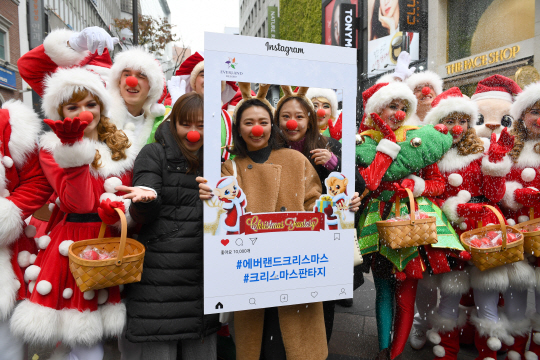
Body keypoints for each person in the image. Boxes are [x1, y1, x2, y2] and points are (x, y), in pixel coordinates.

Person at [199, 83, 345, 360]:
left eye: (263, 122)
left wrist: (338, 207)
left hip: (294, 271)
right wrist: (210, 197)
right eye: (249, 122)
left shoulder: (295, 159)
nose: (257, 129)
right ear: (239, 128)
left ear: (272, 126)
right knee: (262, 349)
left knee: (293, 347)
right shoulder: (231, 168)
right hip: (252, 274)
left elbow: (315, 205)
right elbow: (222, 217)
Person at [10, 66, 137, 360]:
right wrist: (73, 151)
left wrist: (130, 206)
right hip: (76, 245)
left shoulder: (121, 148)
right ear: (60, 111)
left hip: (114, 243)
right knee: (85, 339)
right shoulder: (53, 148)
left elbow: (129, 196)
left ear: (102, 107)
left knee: (106, 339)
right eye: (73, 106)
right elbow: (77, 204)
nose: (84, 112)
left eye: (91, 104)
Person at [106, 92, 220, 360]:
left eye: (201, 125)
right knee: (160, 350)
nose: (193, 133)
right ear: (173, 123)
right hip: (160, 276)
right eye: (186, 124)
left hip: (202, 274)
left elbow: (224, 216)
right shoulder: (153, 153)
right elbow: (144, 211)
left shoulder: (216, 160)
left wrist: (220, 200)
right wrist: (145, 201)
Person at [355, 82, 464, 360]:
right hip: (377, 222)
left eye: (405, 108)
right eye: (393, 106)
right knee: (382, 291)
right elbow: (365, 182)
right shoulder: (362, 141)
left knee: (405, 296)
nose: (400, 113)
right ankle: (382, 349)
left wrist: (416, 184)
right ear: (378, 109)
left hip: (412, 224)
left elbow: (438, 185)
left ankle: (396, 353)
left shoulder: (420, 139)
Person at [420, 87, 514, 360]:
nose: (458, 127)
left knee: (487, 295)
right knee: (450, 295)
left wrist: (496, 162)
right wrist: (452, 209)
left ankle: (488, 352)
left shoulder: (483, 150)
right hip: (452, 233)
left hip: (484, 232)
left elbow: (496, 195)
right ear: (439, 122)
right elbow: (431, 195)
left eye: (463, 121)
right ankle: (447, 349)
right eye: (451, 120)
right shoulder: (432, 155)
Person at [273, 84, 364, 341]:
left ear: (309, 120)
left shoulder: (329, 144)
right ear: (277, 120)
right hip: (281, 235)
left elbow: (358, 185)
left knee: (322, 304)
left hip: (321, 237)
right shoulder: (269, 146)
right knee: (285, 303)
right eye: (286, 117)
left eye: (300, 116)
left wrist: (334, 166)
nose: (293, 123)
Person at [0, 100, 53, 360]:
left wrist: (6, 214)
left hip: (5, 250)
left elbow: (37, 180)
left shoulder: (11, 127)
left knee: (7, 344)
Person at [501, 82, 540, 360]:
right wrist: (513, 194)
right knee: (515, 288)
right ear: (523, 113)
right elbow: (493, 184)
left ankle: (537, 346)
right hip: (514, 230)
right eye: (534, 112)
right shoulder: (509, 143)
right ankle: (515, 344)